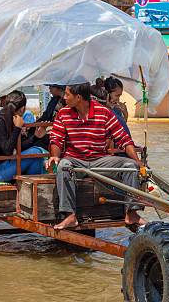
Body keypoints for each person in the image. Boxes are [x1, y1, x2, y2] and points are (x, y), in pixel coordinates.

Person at [46, 82, 145, 230]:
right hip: (75, 161)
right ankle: (70, 216)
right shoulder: (63, 113)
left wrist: (138, 161)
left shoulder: (103, 112)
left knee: (130, 166)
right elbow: (56, 139)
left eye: (67, 95)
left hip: (99, 160)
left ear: (78, 97)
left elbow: (123, 138)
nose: (65, 98)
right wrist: (55, 156)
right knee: (63, 166)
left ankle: (131, 213)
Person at [0, 91, 47, 182]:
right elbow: (7, 150)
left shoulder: (10, 120)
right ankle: (32, 187)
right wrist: (17, 128)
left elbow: (19, 147)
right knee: (37, 151)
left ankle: (32, 189)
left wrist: (36, 137)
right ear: (22, 109)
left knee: (36, 157)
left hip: (3, 166)